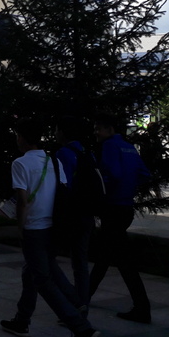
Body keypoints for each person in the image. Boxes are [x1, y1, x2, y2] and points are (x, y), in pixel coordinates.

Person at [0, 118, 99, 337]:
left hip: (34, 228)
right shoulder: (53, 160)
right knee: (39, 270)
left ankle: (81, 329)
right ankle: (23, 319)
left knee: (42, 279)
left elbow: (22, 200)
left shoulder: (20, 163)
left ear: (23, 138)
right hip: (53, 227)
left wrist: (20, 227)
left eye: (17, 135)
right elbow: (61, 192)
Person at [89, 113, 153, 323]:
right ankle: (83, 297)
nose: (96, 133)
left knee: (119, 260)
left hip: (113, 208)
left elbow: (112, 174)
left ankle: (142, 307)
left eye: (99, 128)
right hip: (126, 207)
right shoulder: (128, 147)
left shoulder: (109, 146)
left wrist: (103, 191)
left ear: (110, 129)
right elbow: (144, 174)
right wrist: (128, 187)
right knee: (108, 256)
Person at [54, 116, 96, 309]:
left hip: (71, 213)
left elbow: (64, 185)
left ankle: (76, 302)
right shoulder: (87, 152)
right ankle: (82, 303)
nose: (55, 133)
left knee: (47, 260)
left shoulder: (63, 153)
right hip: (87, 211)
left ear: (63, 133)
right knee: (81, 262)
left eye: (56, 130)